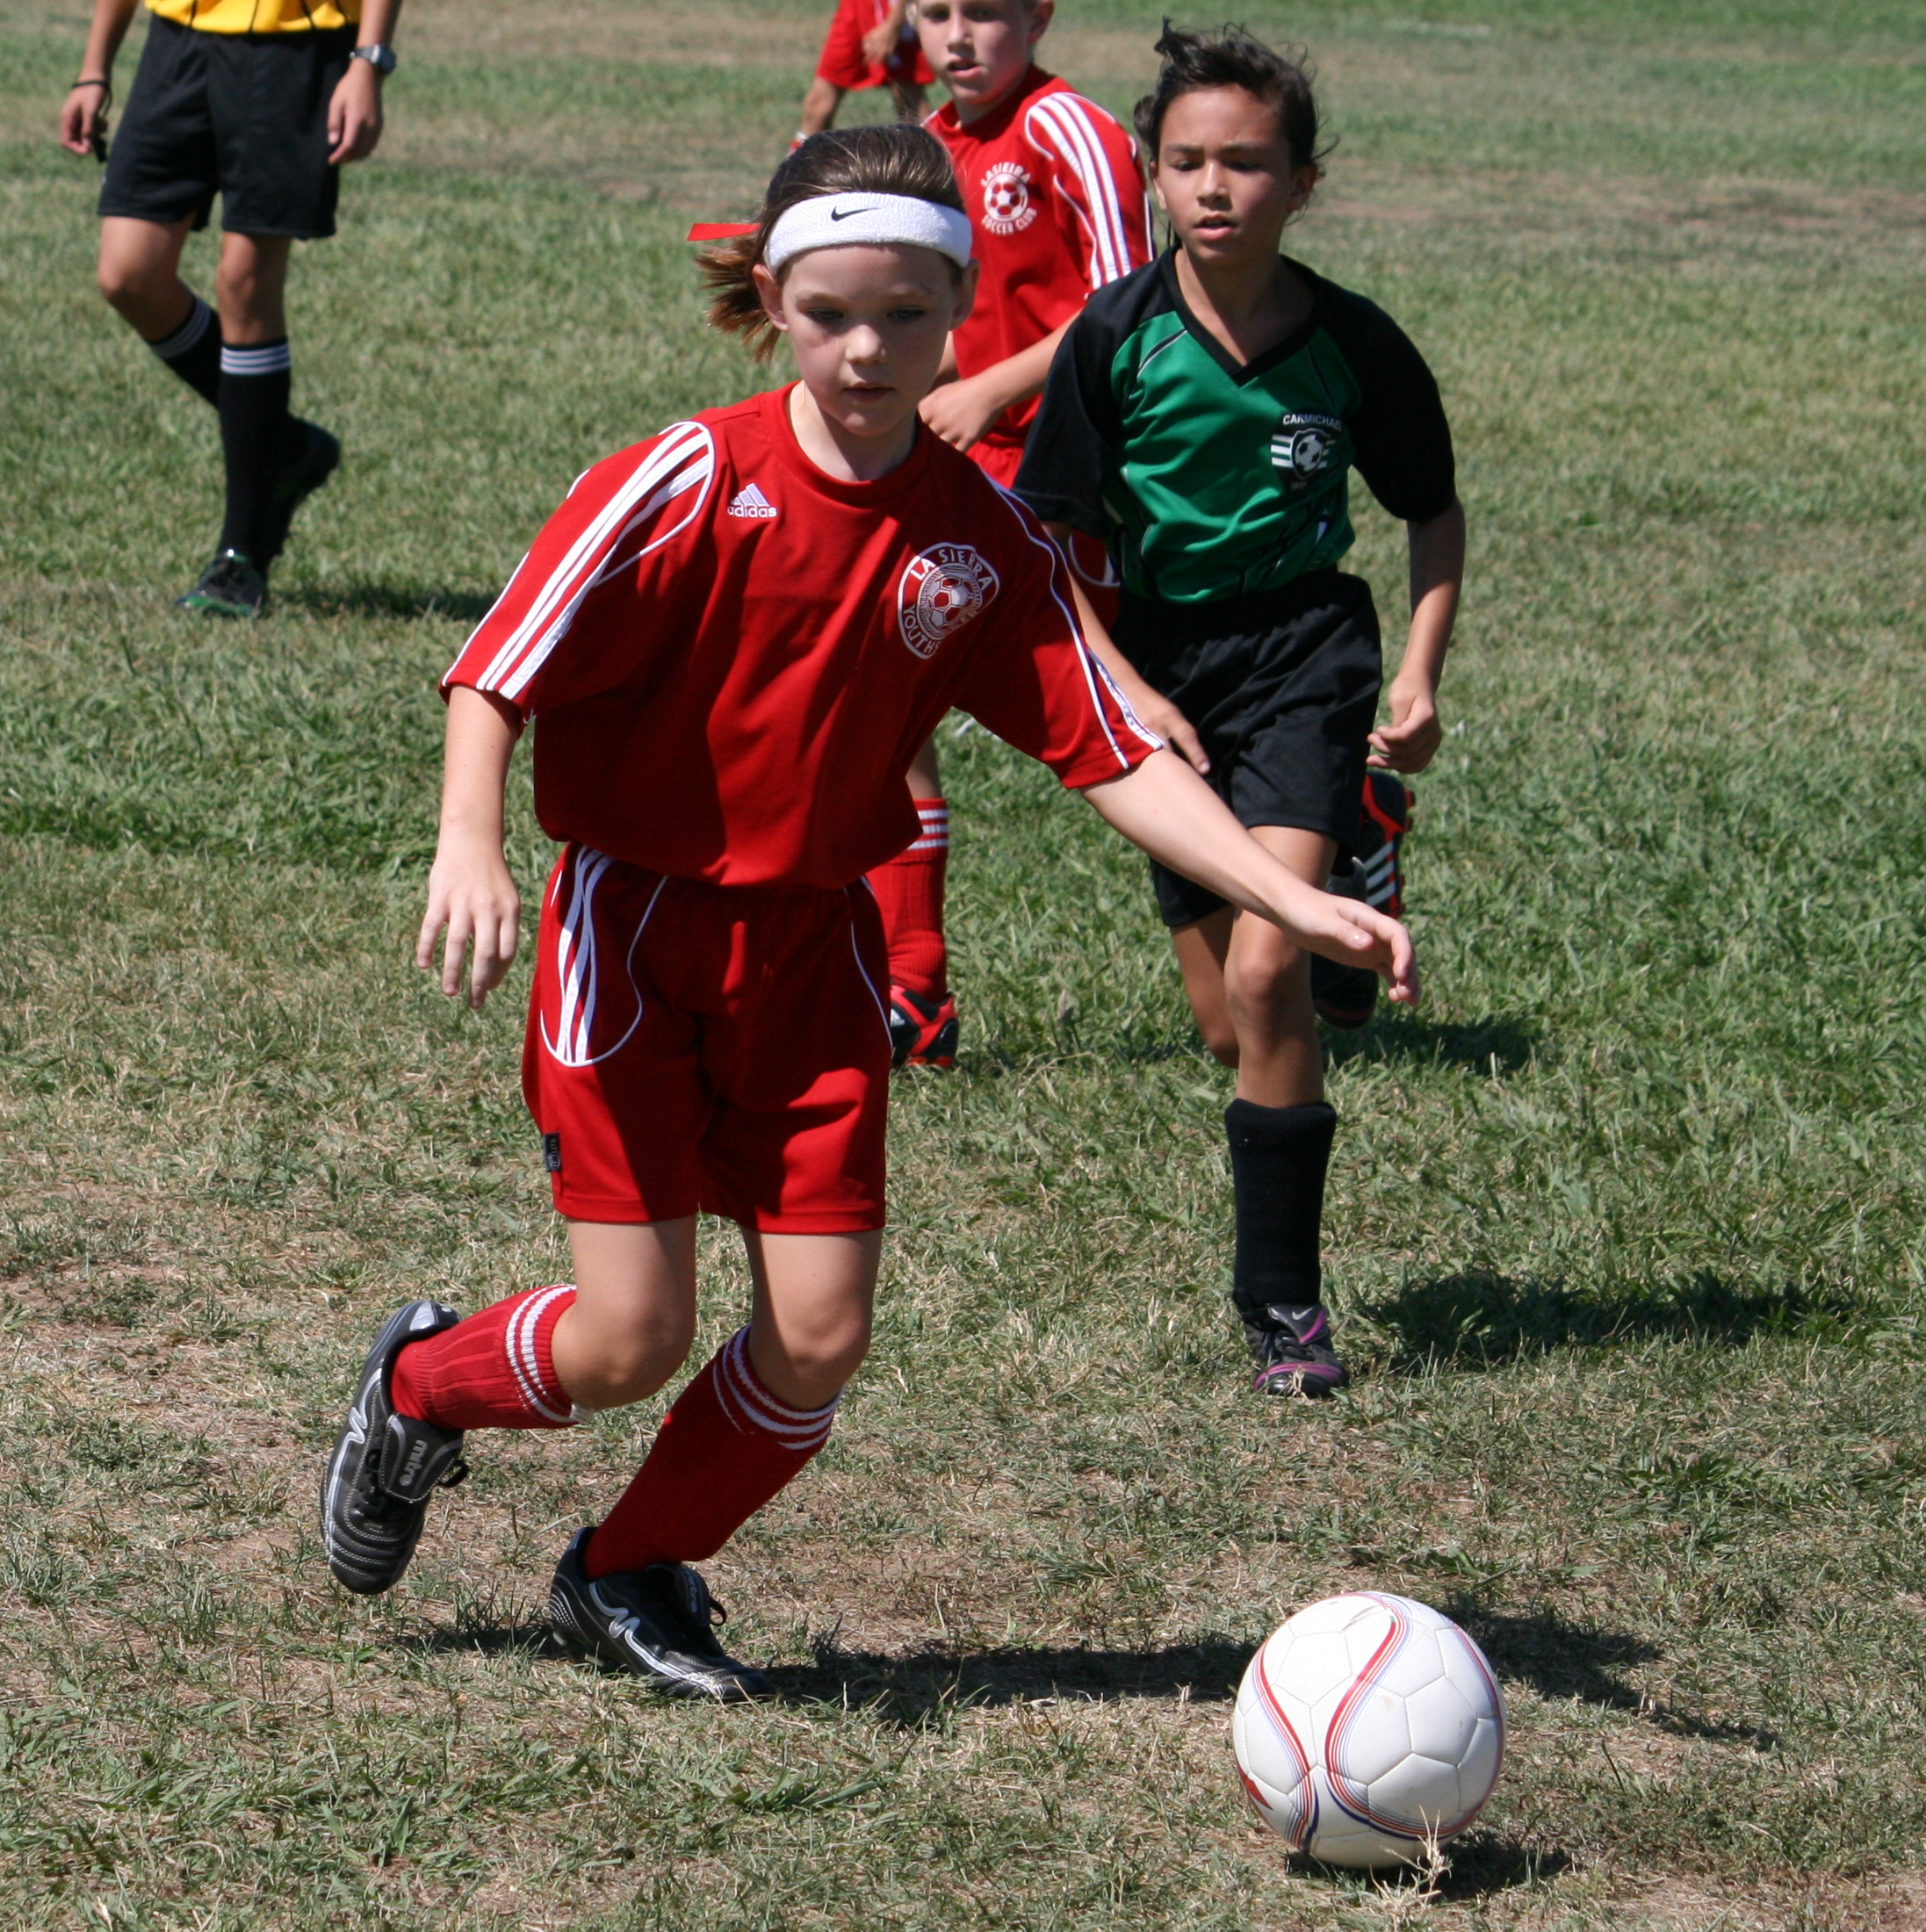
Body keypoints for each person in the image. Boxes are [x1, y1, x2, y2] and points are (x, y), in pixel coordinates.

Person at [312, 127, 1416, 1701]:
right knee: (629, 1338)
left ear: (960, 308)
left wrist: (1287, 892)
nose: (865, 350)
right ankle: (421, 1387)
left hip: (813, 958)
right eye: (828, 313)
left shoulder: (977, 537)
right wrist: (467, 844)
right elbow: (500, 662)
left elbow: (1112, 753)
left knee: (818, 1338)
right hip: (633, 937)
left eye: (904, 315)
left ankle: (625, 1569)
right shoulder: (687, 477)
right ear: (773, 303)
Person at [1016, 22, 1465, 1399]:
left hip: (1303, 651)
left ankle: (1283, 1306)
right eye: (1188, 160)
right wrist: (1127, 686)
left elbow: (1432, 511)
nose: (1216, 186)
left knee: (1273, 977)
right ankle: (1360, 836)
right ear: (1153, 174)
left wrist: (1418, 676)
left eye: (1250, 162)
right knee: (1230, 1029)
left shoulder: (1352, 343)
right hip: (1159, 672)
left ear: (1303, 182)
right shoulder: (1115, 338)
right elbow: (1046, 539)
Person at [851, 0, 1150, 1068]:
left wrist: (990, 391)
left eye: (984, 11)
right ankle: (913, 985)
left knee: (1142, 718)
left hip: (1085, 477)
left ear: (1039, 13)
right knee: (885, 689)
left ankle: (1339, 808)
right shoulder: (935, 144)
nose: (959, 35)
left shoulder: (1070, 128)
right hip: (971, 473)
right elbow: (945, 327)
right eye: (935, 12)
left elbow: (1133, 308)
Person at [61, 0, 399, 619]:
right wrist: (94, 69)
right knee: (129, 275)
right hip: (178, 41)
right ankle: (284, 445)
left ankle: (240, 558)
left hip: (296, 47)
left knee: (244, 280)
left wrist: (368, 64)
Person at [800, 0, 930, 142]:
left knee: (909, 101)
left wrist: (893, 24)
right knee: (817, 103)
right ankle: (802, 156)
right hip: (853, 7)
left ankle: (934, 152)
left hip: (888, 9)